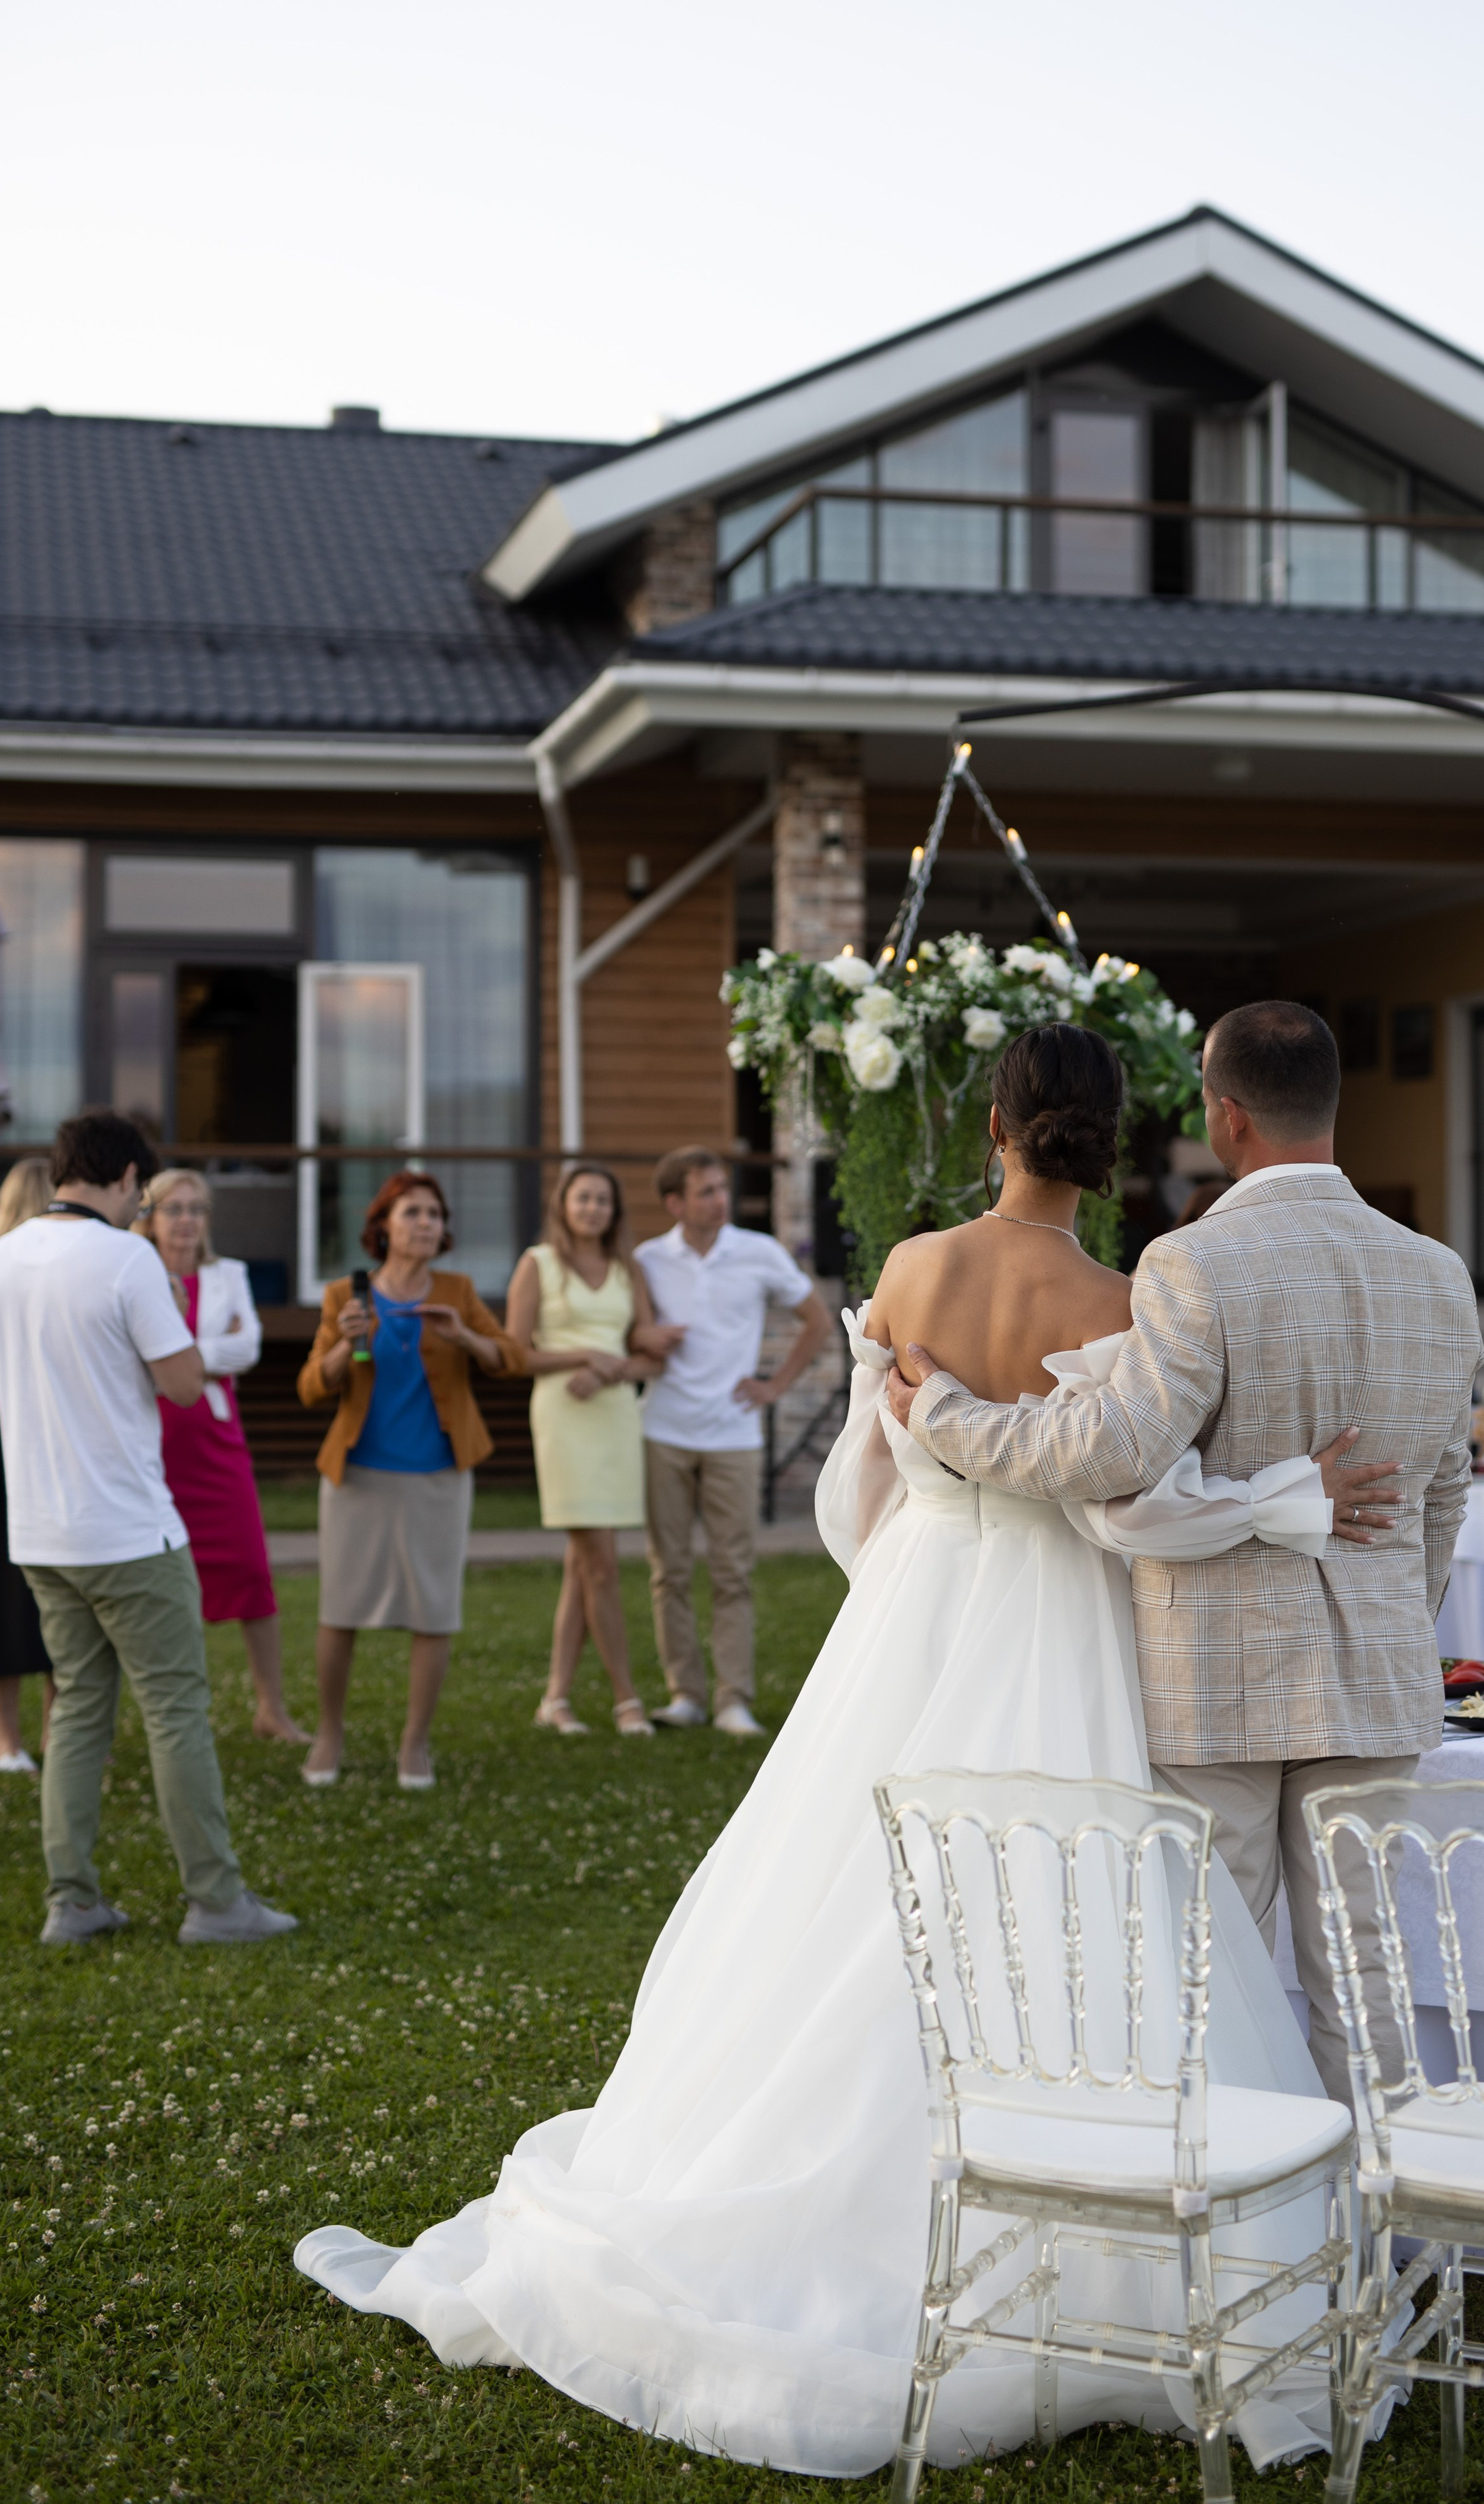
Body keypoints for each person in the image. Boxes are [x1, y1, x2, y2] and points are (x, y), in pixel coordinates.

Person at [294, 1027, 1395, 2477]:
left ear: (995, 1125)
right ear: (1111, 1142)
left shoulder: (913, 1273)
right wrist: (1275, 1503)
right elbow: (1131, 1510)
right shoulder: (1122, 1298)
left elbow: (849, 1494)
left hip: (917, 1606)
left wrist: (903, 1568)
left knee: (847, 1901)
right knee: (1074, 1916)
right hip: (1063, 1626)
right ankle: (1114, 2237)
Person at [893, 1000, 1481, 2107]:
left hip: (1218, 1678)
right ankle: (1395, 2244)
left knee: (1218, 1985)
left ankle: (1251, 2239)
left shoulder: (1193, 1263)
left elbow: (1111, 1448)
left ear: (1225, 1116)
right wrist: (1396, 1612)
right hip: (1376, 1680)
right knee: (1368, 1978)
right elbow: (1442, 1490)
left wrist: (948, 1419)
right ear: (1330, 1105)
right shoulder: (1439, 1273)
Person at [0, 1110, 297, 1946]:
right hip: (128, 1529)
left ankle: (71, 1901)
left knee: (80, 1710)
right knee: (175, 1711)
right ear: (125, 1178)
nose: (141, 1207)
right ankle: (218, 1902)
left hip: (41, 1531)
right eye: (142, 1193)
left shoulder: (2, 1256)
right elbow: (187, 1383)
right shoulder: (128, 1257)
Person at [298, 1171, 526, 1791]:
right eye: (413, 1213)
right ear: (383, 1227)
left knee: (434, 1613)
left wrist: (466, 1337)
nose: (426, 1223)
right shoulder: (346, 1292)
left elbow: (511, 1358)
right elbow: (312, 1387)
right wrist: (346, 1346)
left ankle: (414, 1744)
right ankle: (329, 1735)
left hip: (437, 1480)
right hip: (358, 1479)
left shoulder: (457, 1289)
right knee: (339, 1612)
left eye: (434, 1214)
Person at [634, 1147, 833, 1737]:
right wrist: (645, 1335)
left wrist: (775, 1387)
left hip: (734, 1436)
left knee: (733, 1572)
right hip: (663, 1431)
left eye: (723, 1189)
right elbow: (630, 1332)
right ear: (675, 1203)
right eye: (706, 1192)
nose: (721, 1200)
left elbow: (819, 1320)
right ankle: (685, 1696)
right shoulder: (647, 1260)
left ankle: (732, 1701)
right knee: (667, 1571)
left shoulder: (759, 1252)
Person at [506, 1162, 682, 1740]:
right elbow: (515, 1353)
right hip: (563, 1415)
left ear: (614, 1211)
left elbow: (651, 1358)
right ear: (563, 1204)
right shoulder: (538, 1264)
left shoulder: (626, 1269)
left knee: (584, 1567)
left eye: (602, 1200)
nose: (592, 1209)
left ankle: (555, 1698)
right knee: (601, 1565)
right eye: (582, 1199)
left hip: (612, 1415)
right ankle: (626, 1700)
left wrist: (610, 1371)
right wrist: (583, 1357)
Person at [135, 1169, 307, 1744]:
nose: (186, 1221)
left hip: (215, 1444)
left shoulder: (227, 1274)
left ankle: (272, 1710)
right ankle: (146, 1718)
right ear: (151, 1217)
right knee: (144, 1585)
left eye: (196, 1210)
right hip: (148, 1446)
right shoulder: (134, 1272)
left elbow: (248, 1347)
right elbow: (124, 1354)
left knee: (252, 1572)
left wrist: (172, 1355)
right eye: (174, 1209)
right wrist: (206, 1352)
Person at [0, 1159, 55, 1773]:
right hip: (28, 1432)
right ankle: (58, 1733)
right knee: (51, 1583)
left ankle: (10, 1742)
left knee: (3, 1588)